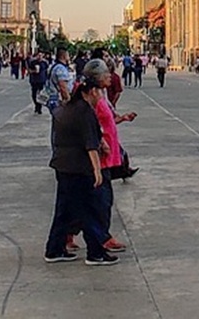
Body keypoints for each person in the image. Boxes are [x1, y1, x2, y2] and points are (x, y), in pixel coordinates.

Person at [43, 78, 118, 265]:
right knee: (90, 210)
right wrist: (97, 170)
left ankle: (54, 249)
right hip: (79, 168)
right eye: (100, 92)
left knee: (64, 210)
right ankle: (96, 253)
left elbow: (89, 136)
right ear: (92, 91)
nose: (101, 96)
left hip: (62, 166)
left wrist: (102, 141)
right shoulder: (85, 112)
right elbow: (90, 144)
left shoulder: (66, 108)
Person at [80, 59, 136, 255]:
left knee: (102, 201)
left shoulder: (101, 95)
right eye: (106, 75)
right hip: (99, 159)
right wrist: (99, 142)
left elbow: (107, 120)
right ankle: (101, 240)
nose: (110, 78)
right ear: (97, 79)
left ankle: (94, 236)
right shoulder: (91, 97)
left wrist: (122, 118)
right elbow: (88, 124)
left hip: (107, 157)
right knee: (100, 202)